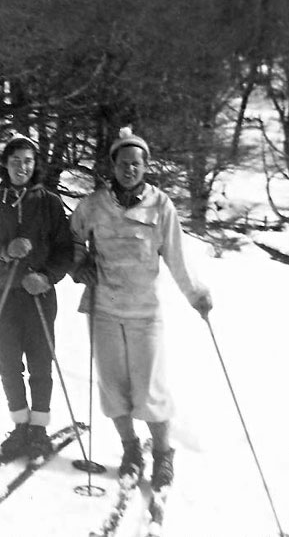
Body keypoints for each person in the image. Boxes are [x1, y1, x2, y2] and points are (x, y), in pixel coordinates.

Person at [70, 127, 212, 490]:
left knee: (150, 390)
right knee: (113, 388)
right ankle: (130, 450)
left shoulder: (161, 205)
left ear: (146, 165)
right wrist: (79, 261)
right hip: (104, 309)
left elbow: (177, 257)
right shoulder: (94, 204)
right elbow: (72, 236)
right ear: (113, 166)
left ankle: (163, 454)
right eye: (123, 163)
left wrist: (196, 295)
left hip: (144, 313)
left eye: (136, 163)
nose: (129, 169)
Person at [0, 135, 73, 459]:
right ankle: (19, 426)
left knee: (41, 362)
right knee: (8, 363)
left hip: (38, 294)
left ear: (35, 165)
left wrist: (46, 277)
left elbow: (65, 251)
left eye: (28, 161)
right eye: (15, 161)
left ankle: (39, 430)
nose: (22, 167)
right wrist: (4, 251)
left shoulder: (50, 203)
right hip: (2, 291)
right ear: (5, 166)